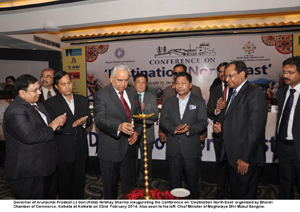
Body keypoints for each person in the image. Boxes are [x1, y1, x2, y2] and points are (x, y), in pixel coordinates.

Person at [3, 74, 66, 199]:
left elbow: (45, 129)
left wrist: (58, 125)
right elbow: (29, 136)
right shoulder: (15, 110)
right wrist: (52, 126)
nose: (39, 92)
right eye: (35, 90)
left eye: (39, 88)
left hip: (46, 167)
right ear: (22, 93)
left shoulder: (39, 105)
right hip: (28, 171)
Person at [213, 61, 268, 199]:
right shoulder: (234, 93)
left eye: (230, 76)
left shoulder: (254, 93)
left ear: (242, 74)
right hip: (233, 157)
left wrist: (245, 158)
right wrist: (222, 128)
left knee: (246, 197)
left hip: (245, 159)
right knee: (237, 194)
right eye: (225, 76)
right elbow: (237, 121)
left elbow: (255, 129)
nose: (226, 79)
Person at [94, 64, 142, 199]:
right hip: (110, 150)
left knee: (130, 187)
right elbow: (99, 119)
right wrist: (118, 127)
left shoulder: (133, 93)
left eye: (126, 80)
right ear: (111, 79)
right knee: (110, 188)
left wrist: (137, 132)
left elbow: (138, 117)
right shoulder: (101, 95)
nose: (123, 84)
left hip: (129, 149)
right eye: (119, 80)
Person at [44, 71, 93, 199]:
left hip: (81, 149)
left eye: (69, 83)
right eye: (63, 84)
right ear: (56, 86)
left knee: (79, 184)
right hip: (63, 151)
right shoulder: (50, 104)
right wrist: (72, 125)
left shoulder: (82, 99)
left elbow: (89, 119)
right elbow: (52, 127)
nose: (67, 86)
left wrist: (83, 123)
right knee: (64, 186)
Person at [160, 72, 207, 199]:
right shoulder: (169, 102)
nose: (180, 86)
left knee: (193, 184)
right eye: (177, 83)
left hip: (191, 149)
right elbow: (163, 121)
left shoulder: (199, 102)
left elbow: (203, 122)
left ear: (190, 85)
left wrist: (189, 129)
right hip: (173, 148)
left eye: (183, 83)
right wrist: (174, 129)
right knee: (174, 184)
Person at [159, 63, 203, 142]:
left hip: (191, 140)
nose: (180, 86)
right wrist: (162, 132)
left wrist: (202, 134)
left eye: (183, 83)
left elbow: (202, 119)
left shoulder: (196, 91)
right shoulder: (168, 91)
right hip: (173, 140)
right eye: (175, 73)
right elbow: (163, 117)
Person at [276, 56, 300, 199]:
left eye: (290, 72)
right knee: (285, 184)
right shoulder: (281, 93)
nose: (285, 75)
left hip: (298, 147)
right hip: (283, 146)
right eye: (284, 72)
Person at [207, 62, 232, 199]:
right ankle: (222, 192)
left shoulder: (236, 88)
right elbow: (209, 110)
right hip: (218, 132)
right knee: (221, 164)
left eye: (225, 71)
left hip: (234, 134)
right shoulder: (215, 89)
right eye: (220, 72)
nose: (223, 74)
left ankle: (235, 191)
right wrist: (217, 109)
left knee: (233, 164)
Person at [133, 73, 159, 187]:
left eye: (143, 82)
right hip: (132, 132)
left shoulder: (151, 97)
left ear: (146, 84)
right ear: (134, 83)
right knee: (132, 160)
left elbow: (155, 116)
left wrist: (143, 114)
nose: (141, 84)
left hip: (147, 132)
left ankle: (145, 183)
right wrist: (137, 112)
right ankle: (132, 182)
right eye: (138, 82)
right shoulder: (128, 96)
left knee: (146, 160)